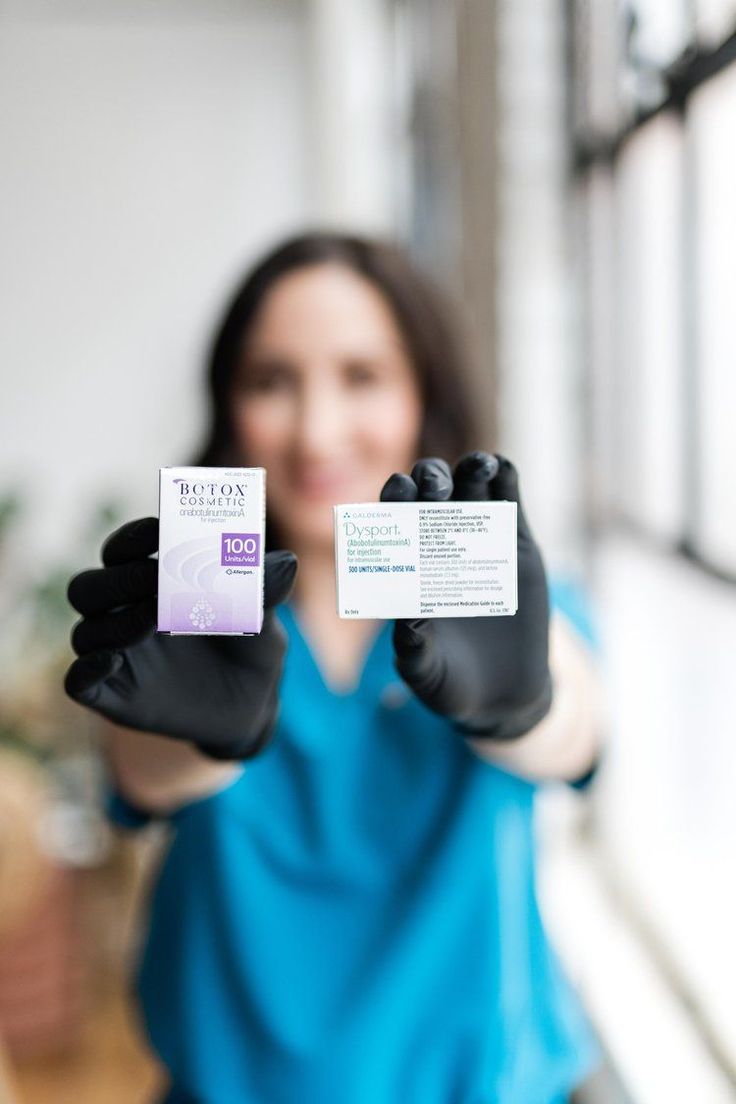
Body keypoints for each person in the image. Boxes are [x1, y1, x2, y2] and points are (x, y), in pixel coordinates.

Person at [64, 232, 604, 1103]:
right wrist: (201, 738)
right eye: (271, 381)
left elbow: (576, 730)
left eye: (361, 376)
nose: (316, 431)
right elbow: (138, 775)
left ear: (424, 391)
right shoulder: (202, 588)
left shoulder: (498, 594)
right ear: (227, 403)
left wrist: (523, 705)